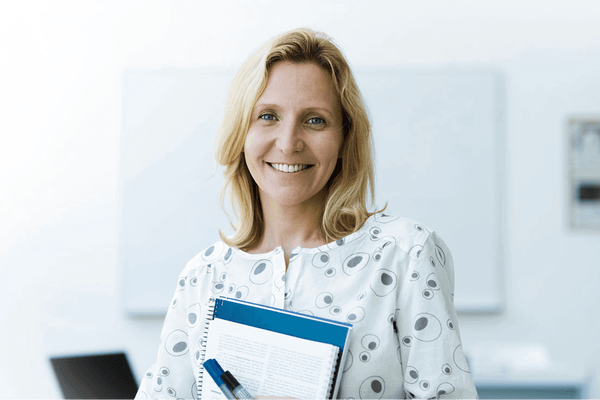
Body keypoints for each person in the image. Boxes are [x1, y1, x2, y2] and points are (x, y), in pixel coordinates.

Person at [135, 28, 478, 400]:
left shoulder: (405, 254)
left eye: (315, 120)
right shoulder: (203, 276)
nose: (288, 142)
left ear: (345, 138)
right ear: (240, 133)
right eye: (267, 116)